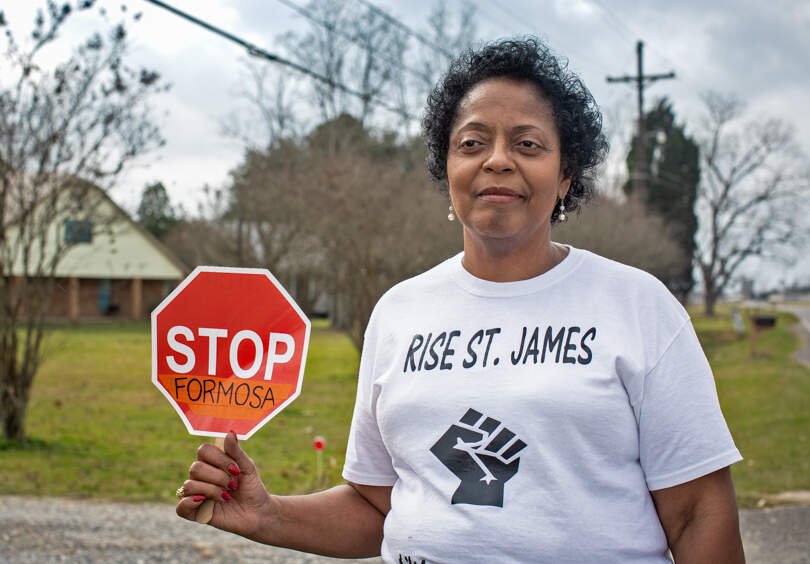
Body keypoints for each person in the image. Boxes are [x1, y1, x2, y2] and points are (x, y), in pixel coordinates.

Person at [175, 37, 745, 563]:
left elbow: (699, 516)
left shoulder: (638, 306)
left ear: (566, 174)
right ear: (447, 168)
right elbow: (378, 508)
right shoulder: (398, 312)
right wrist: (268, 515)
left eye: (528, 143)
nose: (497, 159)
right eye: (472, 142)